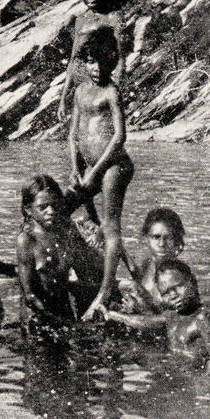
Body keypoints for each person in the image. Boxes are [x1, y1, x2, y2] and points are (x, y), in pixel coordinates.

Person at [67, 26, 134, 320]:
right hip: (88, 169)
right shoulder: (81, 91)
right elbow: (72, 135)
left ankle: (104, 294)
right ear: (83, 62)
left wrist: (95, 173)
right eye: (90, 61)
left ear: (112, 61)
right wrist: (75, 170)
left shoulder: (111, 91)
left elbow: (119, 137)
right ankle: (94, 267)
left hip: (113, 167)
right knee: (59, 210)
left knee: (110, 227)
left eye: (102, 61)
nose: (96, 68)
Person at [16, 175, 104, 334]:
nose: (51, 211)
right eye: (43, 207)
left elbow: (85, 274)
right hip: (38, 321)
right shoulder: (27, 240)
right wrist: (65, 325)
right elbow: (30, 296)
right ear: (29, 209)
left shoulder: (66, 234)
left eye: (55, 205)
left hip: (64, 315)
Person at [105, 260, 210, 372]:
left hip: (193, 372)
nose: (173, 295)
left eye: (178, 287)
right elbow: (145, 321)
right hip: (174, 368)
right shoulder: (171, 315)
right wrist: (113, 315)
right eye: (166, 293)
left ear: (193, 281)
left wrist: (206, 382)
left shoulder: (202, 318)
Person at [57, 0, 125, 125]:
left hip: (104, 86)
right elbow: (74, 60)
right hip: (82, 86)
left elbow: (121, 58)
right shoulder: (80, 20)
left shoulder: (113, 17)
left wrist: (117, 89)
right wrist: (64, 97)